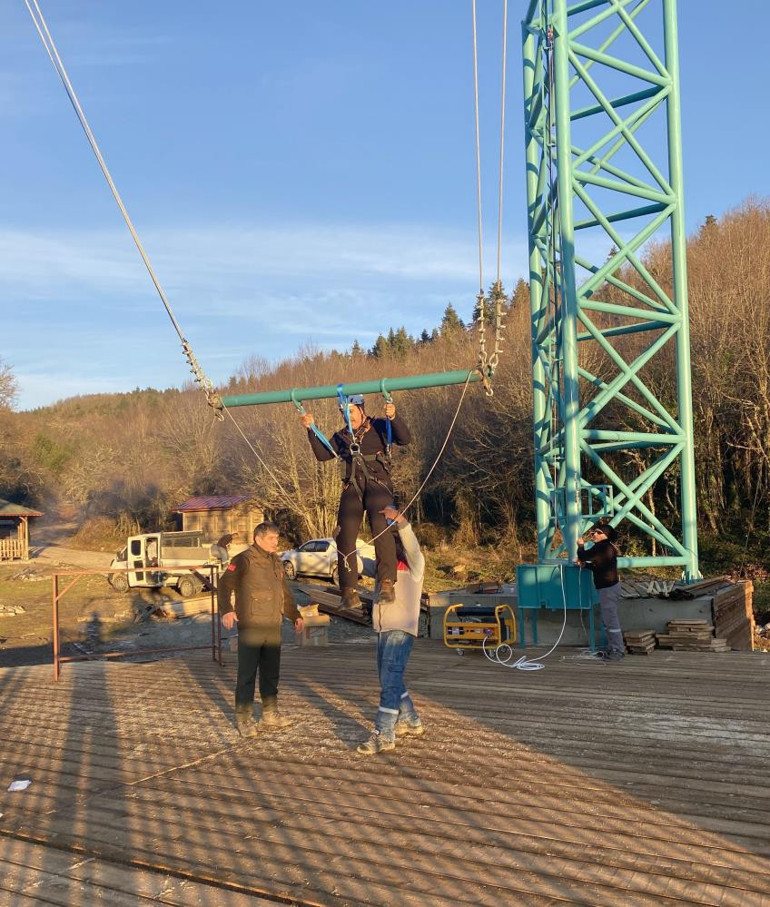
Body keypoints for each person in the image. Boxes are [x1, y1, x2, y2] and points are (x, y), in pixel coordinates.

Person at [300, 394, 411, 610]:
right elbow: (323, 455)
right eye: (344, 413)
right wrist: (311, 430)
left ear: (361, 409)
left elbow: (404, 438)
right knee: (344, 536)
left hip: (378, 486)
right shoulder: (342, 436)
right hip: (352, 488)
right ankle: (348, 590)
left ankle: (387, 581)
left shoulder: (379, 426)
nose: (347, 417)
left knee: (381, 528)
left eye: (350, 412)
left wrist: (394, 416)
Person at [218, 522, 304, 736]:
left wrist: (295, 615)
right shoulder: (244, 560)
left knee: (271, 672)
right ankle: (244, 718)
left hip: (273, 624)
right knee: (247, 673)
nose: (276, 542)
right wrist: (227, 610)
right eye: (271, 539)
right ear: (258, 539)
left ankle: (270, 712)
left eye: (276, 538)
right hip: (251, 624)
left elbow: (284, 591)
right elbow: (223, 585)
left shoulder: (276, 561)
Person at [357, 505, 425, 755]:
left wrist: (402, 523)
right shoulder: (381, 569)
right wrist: (341, 539)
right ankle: (411, 720)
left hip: (401, 630)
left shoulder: (414, 566)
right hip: (383, 629)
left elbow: (414, 547)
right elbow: (356, 561)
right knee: (392, 678)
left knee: (389, 681)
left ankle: (384, 733)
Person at [576, 524, 624, 662]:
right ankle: (612, 648)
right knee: (608, 620)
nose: (594, 534)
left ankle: (617, 650)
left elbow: (583, 555)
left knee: (611, 621)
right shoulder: (606, 548)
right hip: (608, 588)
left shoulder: (602, 547)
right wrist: (586, 565)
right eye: (593, 532)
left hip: (608, 588)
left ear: (606, 535)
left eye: (597, 532)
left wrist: (580, 546)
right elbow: (599, 567)